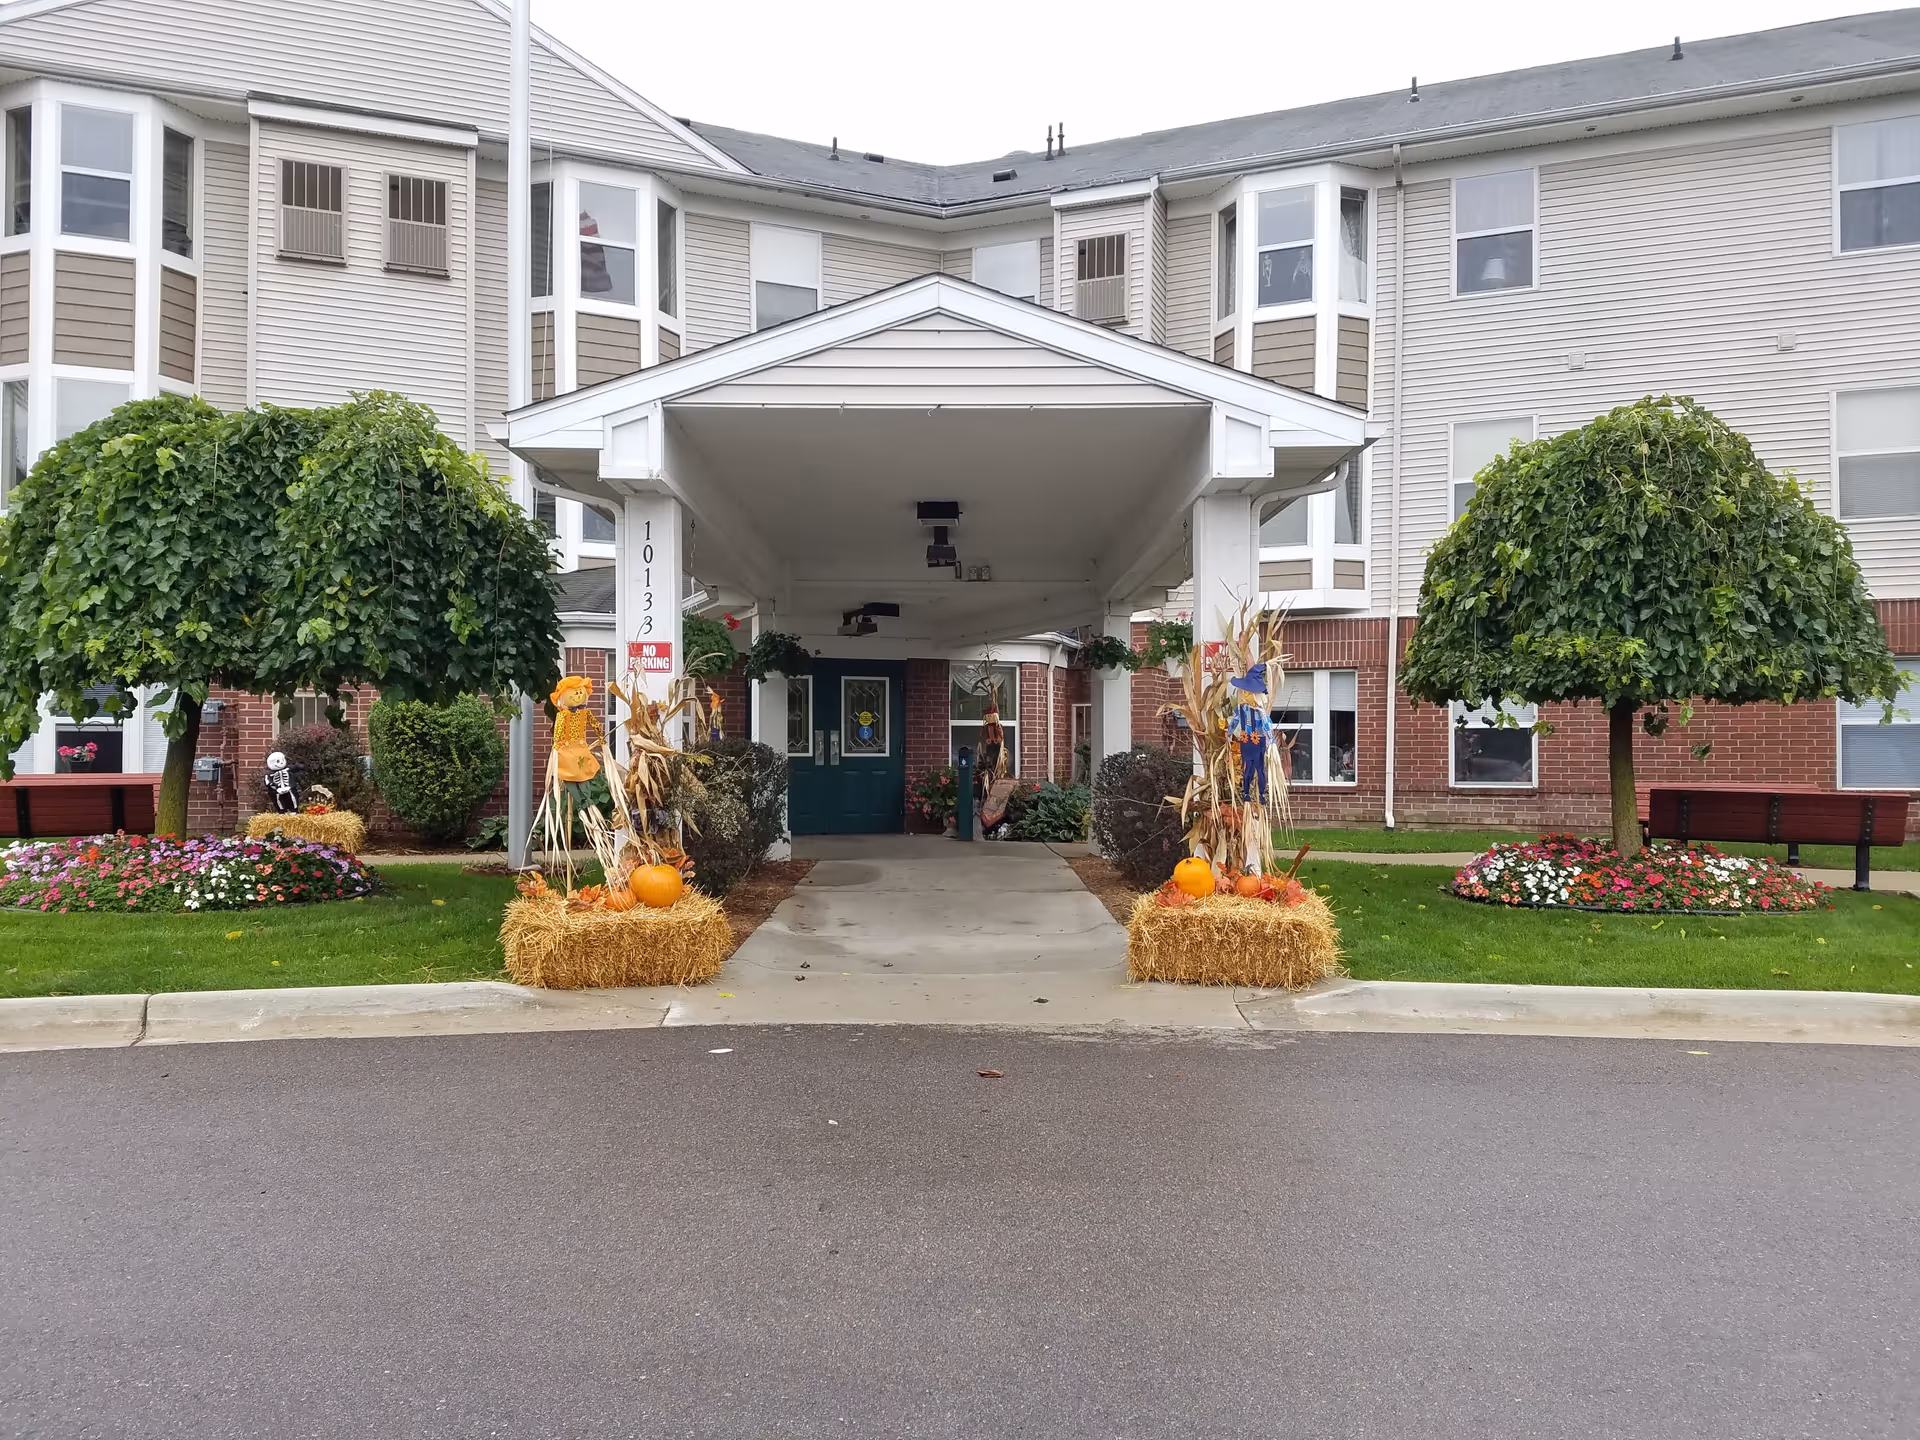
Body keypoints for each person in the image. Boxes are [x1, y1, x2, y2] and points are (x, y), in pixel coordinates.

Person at [1228, 663, 1274, 805]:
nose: (1244, 694)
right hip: (1246, 742)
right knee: (1247, 769)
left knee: (1260, 770)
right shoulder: (1241, 709)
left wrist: (1271, 740)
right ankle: (1246, 794)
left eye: (1247, 691)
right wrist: (1229, 735)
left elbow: (1267, 725)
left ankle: (1261, 795)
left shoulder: (1260, 712)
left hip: (1257, 741)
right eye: (1244, 691)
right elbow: (1234, 722)